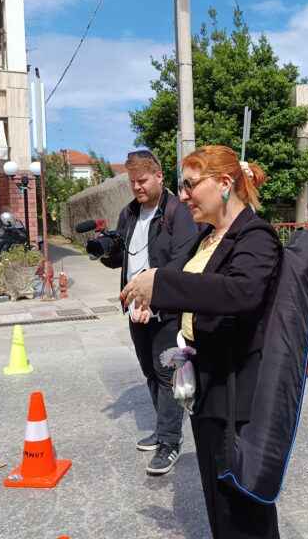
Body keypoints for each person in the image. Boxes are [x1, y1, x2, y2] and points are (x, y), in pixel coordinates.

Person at [122, 145, 282, 538]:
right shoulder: (210, 236)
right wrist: (152, 297)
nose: (185, 194)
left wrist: (160, 282)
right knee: (217, 492)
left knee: (242, 500)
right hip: (207, 381)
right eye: (182, 185)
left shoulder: (256, 236)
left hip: (236, 390)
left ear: (224, 184)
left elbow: (239, 293)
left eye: (191, 185)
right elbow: (190, 286)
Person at [101, 149, 197, 475]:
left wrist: (152, 299)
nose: (137, 187)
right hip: (135, 310)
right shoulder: (129, 214)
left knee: (169, 376)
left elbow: (181, 263)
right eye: (132, 182)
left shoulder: (177, 213)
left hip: (166, 309)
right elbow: (122, 258)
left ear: (158, 176)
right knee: (150, 373)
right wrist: (104, 250)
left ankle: (171, 443)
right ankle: (162, 430)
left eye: (142, 180)